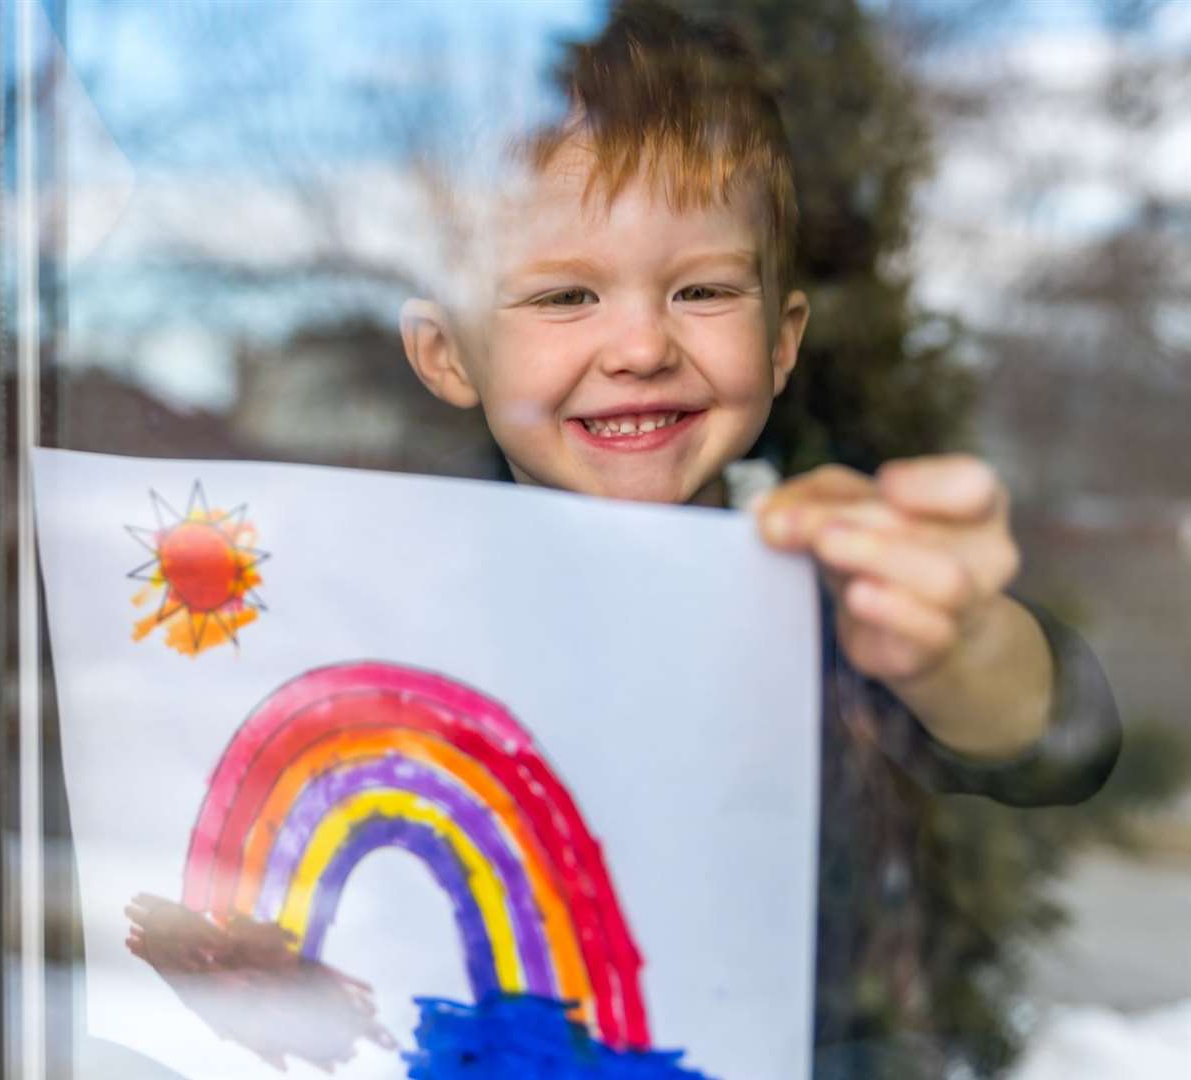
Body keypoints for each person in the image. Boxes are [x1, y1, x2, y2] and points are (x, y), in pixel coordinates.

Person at [395, 2, 1120, 1072]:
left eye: (701, 290)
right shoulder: (393, 589)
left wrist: (957, 646)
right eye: (562, 296)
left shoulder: (815, 573)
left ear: (780, 344)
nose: (639, 344)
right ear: (446, 355)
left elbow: (1054, 740)